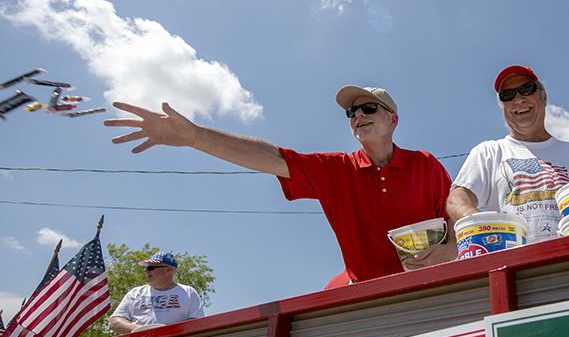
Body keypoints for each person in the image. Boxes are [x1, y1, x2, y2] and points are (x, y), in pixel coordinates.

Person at [104, 86, 455, 288]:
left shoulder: (425, 164)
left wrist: (451, 248)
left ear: (392, 119)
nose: (357, 115)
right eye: (351, 112)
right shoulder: (335, 169)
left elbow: (455, 216)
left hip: (430, 288)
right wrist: (196, 136)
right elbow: (272, 157)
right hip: (363, 296)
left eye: (367, 108)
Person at [447, 65, 569, 242]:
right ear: (503, 107)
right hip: (516, 266)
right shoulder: (488, 152)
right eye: (508, 95)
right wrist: (478, 223)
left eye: (526, 89)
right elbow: (458, 198)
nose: (518, 99)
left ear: (543, 96)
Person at [109, 251, 205, 334]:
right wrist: (144, 331)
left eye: (151, 268)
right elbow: (114, 322)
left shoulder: (188, 293)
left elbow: (197, 323)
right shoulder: (135, 293)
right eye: (146, 268)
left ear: (168, 269)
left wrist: (165, 332)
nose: (146, 271)